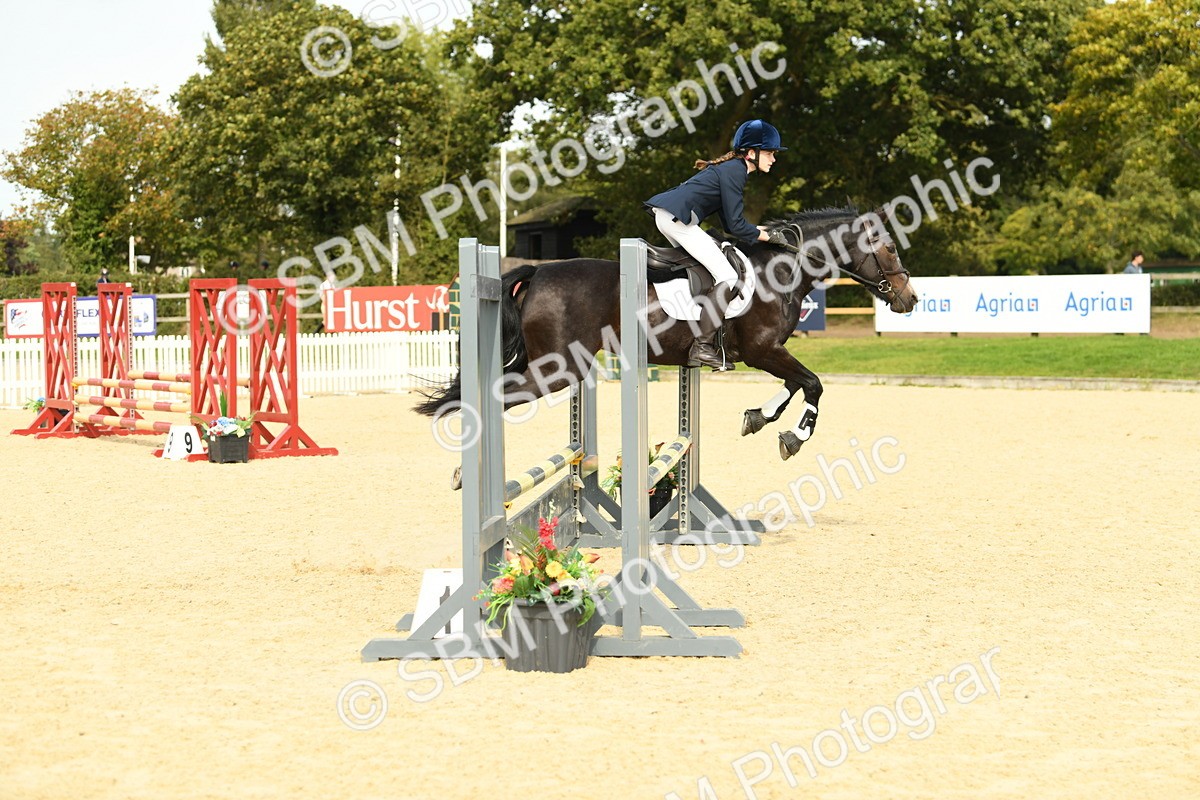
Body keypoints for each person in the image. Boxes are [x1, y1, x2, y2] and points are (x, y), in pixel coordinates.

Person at [644, 119, 791, 370]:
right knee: (728, 277)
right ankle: (701, 346)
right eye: (770, 153)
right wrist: (768, 237)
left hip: (671, 218)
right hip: (677, 221)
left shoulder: (732, 169)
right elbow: (737, 226)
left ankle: (689, 329)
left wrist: (765, 231)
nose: (774, 159)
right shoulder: (735, 171)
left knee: (708, 270)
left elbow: (731, 224)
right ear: (751, 153)